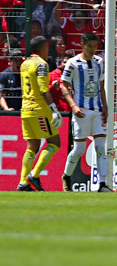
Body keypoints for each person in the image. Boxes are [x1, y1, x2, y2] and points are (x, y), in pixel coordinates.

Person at [59, 32, 111, 192]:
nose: (93, 50)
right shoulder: (73, 63)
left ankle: (102, 184)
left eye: (95, 46)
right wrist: (73, 106)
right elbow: (63, 85)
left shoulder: (99, 62)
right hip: (81, 111)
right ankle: (66, 176)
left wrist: (106, 107)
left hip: (97, 110)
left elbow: (101, 87)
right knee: (79, 149)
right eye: (90, 46)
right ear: (82, 44)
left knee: (101, 147)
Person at [16, 36, 63, 191]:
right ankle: (34, 175)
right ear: (42, 48)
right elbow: (43, 89)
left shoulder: (25, 64)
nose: (48, 49)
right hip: (39, 109)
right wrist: (53, 109)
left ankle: (23, 182)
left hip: (26, 109)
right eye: (47, 47)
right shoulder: (41, 65)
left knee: (32, 146)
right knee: (55, 142)